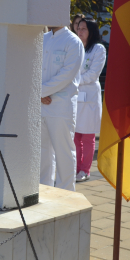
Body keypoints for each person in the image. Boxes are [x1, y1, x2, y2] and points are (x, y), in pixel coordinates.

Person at [41, 25, 84, 191]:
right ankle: (43, 189)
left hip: (60, 106)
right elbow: (34, 67)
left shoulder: (73, 41)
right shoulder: (43, 39)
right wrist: (38, 92)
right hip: (41, 104)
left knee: (63, 151)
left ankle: (66, 192)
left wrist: (40, 91)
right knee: (43, 152)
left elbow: (66, 75)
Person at [74, 18, 106, 182]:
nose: (80, 31)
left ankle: (85, 170)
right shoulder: (75, 47)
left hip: (89, 97)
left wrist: (72, 80)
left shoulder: (98, 49)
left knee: (87, 136)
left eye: (84, 29)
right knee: (75, 136)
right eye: (78, 28)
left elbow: (93, 75)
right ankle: (76, 168)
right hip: (75, 96)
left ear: (91, 31)